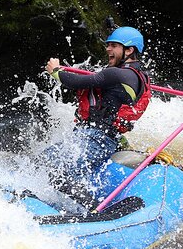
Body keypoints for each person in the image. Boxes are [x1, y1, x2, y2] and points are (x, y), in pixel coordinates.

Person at [42, 26, 152, 205]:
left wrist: (56, 71)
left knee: (59, 173)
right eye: (108, 45)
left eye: (114, 45)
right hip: (97, 136)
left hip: (97, 139)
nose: (108, 49)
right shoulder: (137, 76)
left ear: (129, 50)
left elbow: (78, 82)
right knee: (43, 160)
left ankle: (94, 209)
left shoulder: (119, 74)